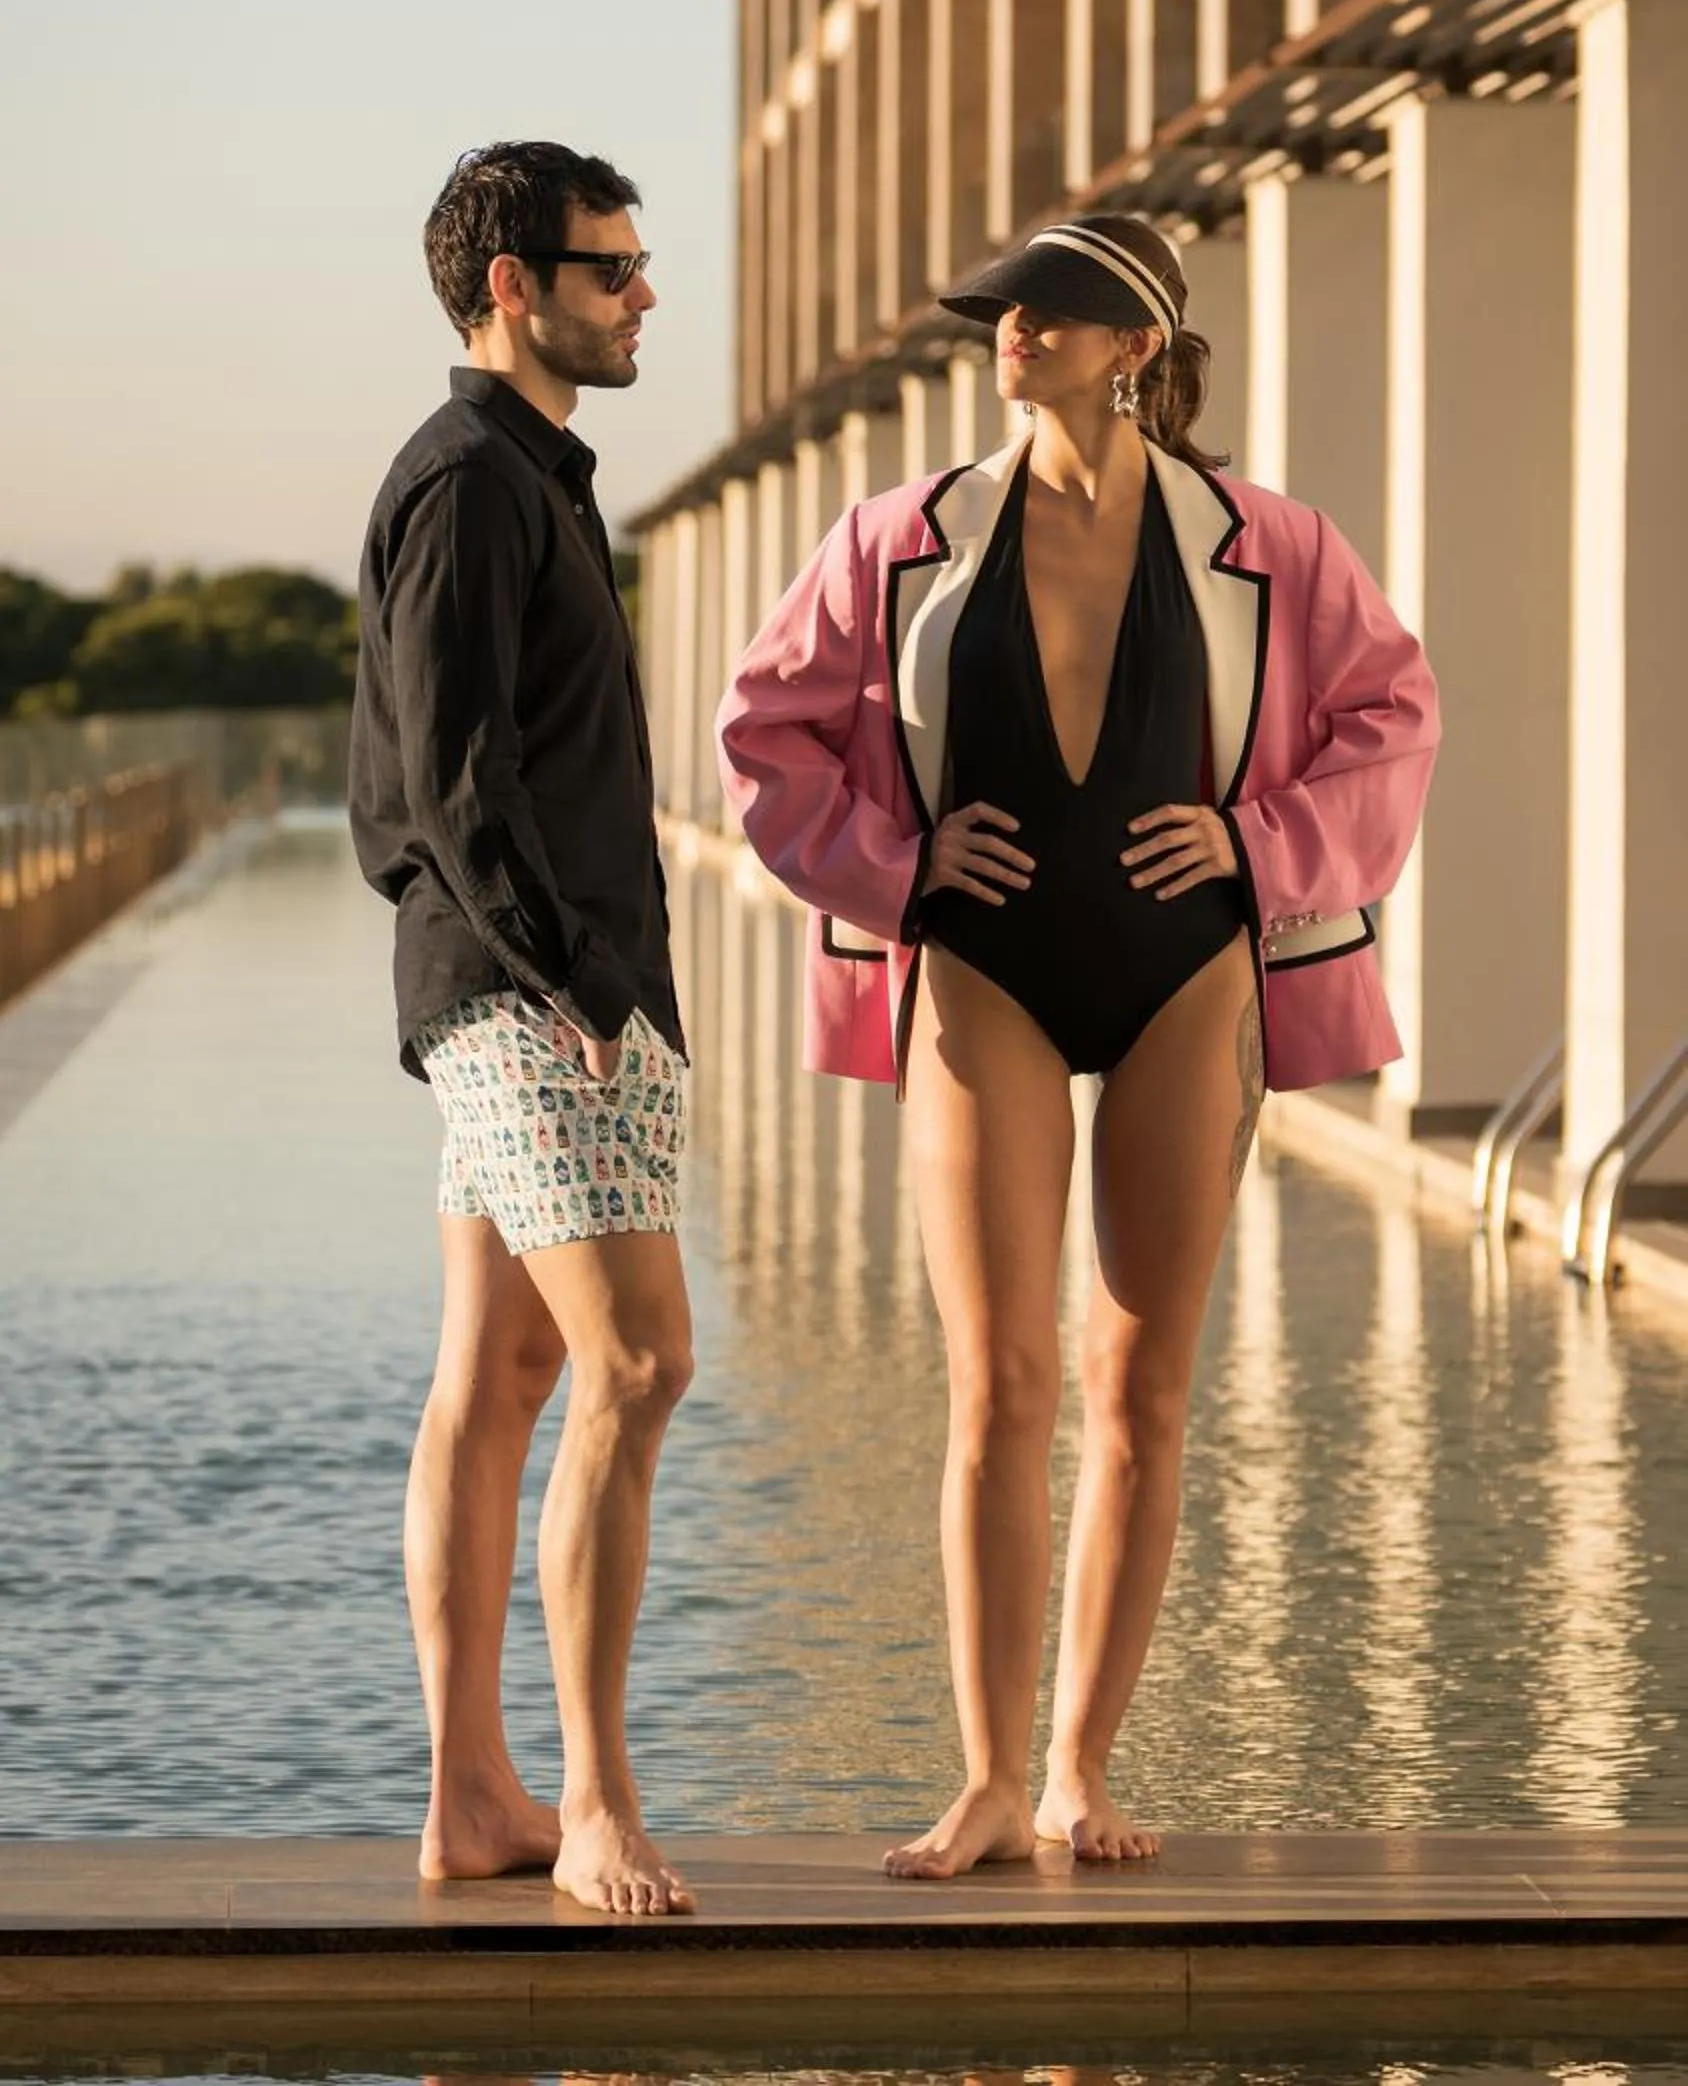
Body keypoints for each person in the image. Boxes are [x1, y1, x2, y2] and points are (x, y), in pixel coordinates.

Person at [717, 210, 1438, 1883]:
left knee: (1142, 1387)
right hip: (986, 969)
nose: (1015, 333)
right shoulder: (906, 535)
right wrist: (897, 869)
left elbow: (1396, 720)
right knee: (1002, 1386)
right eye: (1006, 312)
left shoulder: (1268, 541)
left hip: (1189, 972)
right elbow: (766, 727)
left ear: (1136, 349)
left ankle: (1080, 1769)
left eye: (1056, 314)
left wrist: (1259, 845)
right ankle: (980, 1778)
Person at [350, 140, 694, 1919]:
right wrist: (570, 980)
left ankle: (471, 1797)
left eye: (639, 266)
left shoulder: (531, 479)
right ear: (513, 287)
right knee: (642, 1366)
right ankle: (595, 1807)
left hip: (519, 984)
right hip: (526, 994)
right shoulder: (474, 483)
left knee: (500, 1381)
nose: (644, 297)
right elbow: (450, 767)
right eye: (612, 269)